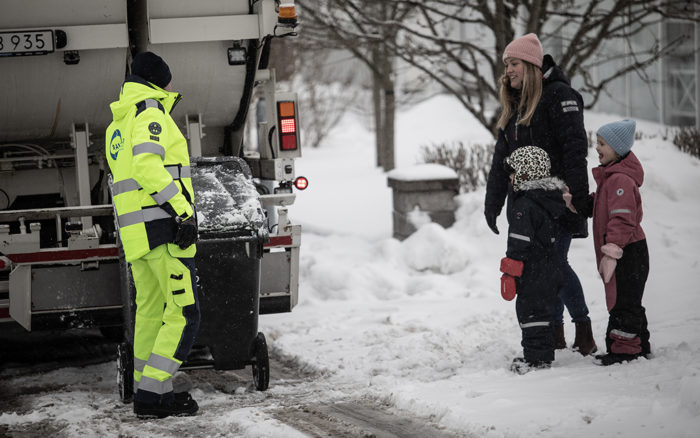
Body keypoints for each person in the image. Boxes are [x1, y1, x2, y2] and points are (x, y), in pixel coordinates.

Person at [484, 33, 597, 355]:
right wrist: (492, 204)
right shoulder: (515, 105)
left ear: (532, 65)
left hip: (556, 202)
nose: (509, 70)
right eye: (506, 64)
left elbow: (575, 149)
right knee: (539, 271)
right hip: (525, 205)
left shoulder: (560, 96)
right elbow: (500, 161)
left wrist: (578, 195)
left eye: (514, 63)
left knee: (556, 265)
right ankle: (555, 332)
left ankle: (583, 326)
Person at [106, 51, 200, 418]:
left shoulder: (120, 121)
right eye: (169, 80)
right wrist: (182, 211)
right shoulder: (149, 112)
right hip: (164, 230)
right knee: (184, 313)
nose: (172, 87)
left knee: (150, 312)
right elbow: (147, 167)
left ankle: (148, 392)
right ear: (158, 81)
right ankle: (154, 392)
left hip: (138, 236)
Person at [583, 119, 651, 366]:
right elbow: (602, 205)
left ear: (617, 148)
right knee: (629, 299)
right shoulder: (611, 178)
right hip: (625, 250)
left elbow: (622, 218)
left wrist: (612, 252)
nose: (597, 148)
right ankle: (640, 344)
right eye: (596, 143)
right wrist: (578, 203)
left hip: (627, 252)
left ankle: (625, 350)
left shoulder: (620, 180)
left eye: (602, 144)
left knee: (623, 302)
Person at [498, 146, 567, 374]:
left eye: (513, 172)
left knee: (531, 313)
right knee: (543, 311)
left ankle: (537, 360)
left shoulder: (525, 206)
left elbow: (519, 241)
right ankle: (543, 354)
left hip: (532, 269)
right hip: (549, 267)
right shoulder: (548, 200)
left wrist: (510, 269)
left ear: (526, 173)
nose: (510, 177)